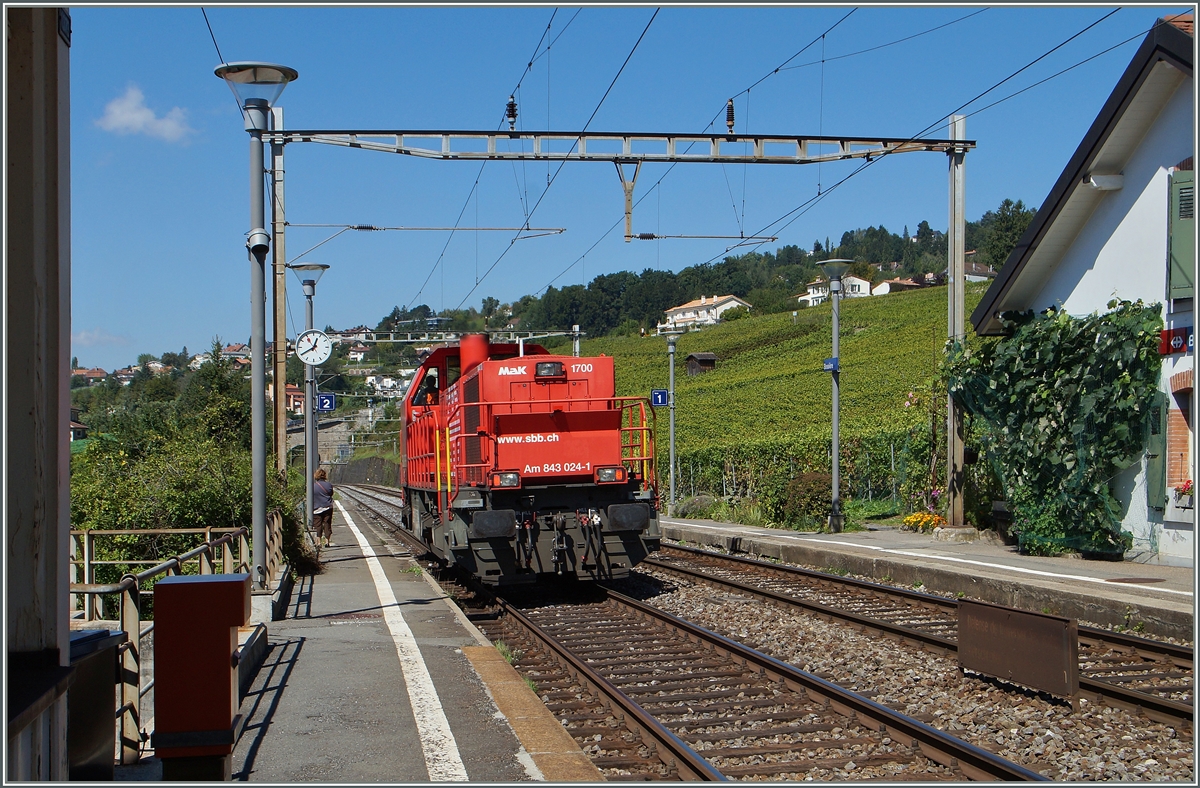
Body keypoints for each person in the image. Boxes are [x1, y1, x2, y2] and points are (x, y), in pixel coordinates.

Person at [313, 469, 334, 547]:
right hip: (327, 507)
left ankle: (318, 542)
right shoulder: (328, 485)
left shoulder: (313, 486)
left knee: (317, 525)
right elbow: (331, 493)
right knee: (327, 524)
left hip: (316, 508)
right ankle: (327, 541)